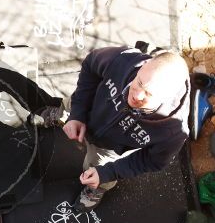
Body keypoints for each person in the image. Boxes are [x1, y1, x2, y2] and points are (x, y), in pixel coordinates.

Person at [62, 46, 190, 211]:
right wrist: (78, 113)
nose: (136, 95)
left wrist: (108, 173)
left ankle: (98, 186)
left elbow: (154, 161)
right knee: (69, 104)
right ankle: (59, 111)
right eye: (139, 82)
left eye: (149, 94)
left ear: (167, 98)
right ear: (144, 65)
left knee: (97, 169)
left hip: (107, 149)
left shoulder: (173, 131)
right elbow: (90, 65)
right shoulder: (123, 60)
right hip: (90, 105)